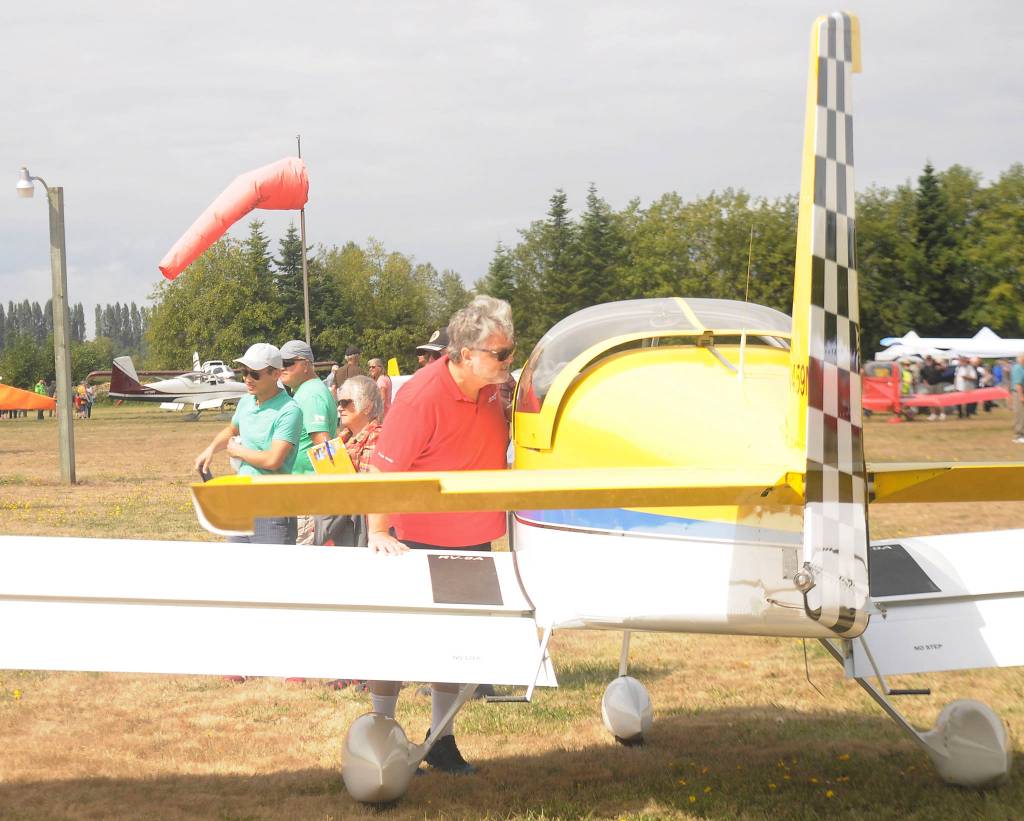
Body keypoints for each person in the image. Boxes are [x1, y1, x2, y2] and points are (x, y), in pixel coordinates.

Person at [365, 295, 515, 775]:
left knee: (457, 641)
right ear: (466, 355)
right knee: (397, 637)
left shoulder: (491, 387)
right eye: (501, 354)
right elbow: (383, 468)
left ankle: (442, 737)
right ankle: (379, 728)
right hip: (416, 540)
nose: (509, 361)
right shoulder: (419, 397)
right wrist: (378, 529)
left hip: (472, 536)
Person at [194, 343, 303, 544]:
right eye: (244, 372)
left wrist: (239, 452)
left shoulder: (289, 410)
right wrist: (210, 450)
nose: (247, 379)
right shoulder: (246, 401)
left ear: (276, 374)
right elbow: (232, 430)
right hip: (241, 501)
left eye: (255, 374)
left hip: (272, 506)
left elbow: (273, 460)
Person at [279, 340, 339, 545]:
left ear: (305, 364)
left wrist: (337, 490)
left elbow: (323, 443)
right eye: (279, 363)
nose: (282, 368)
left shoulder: (311, 394)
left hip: (307, 496)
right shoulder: (305, 391)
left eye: (287, 363)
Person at [1012, 353, 1024, 444]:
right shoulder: (1018, 368)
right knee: (1020, 414)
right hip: (1019, 393)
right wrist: (1021, 396)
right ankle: (1018, 435)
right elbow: (1018, 384)